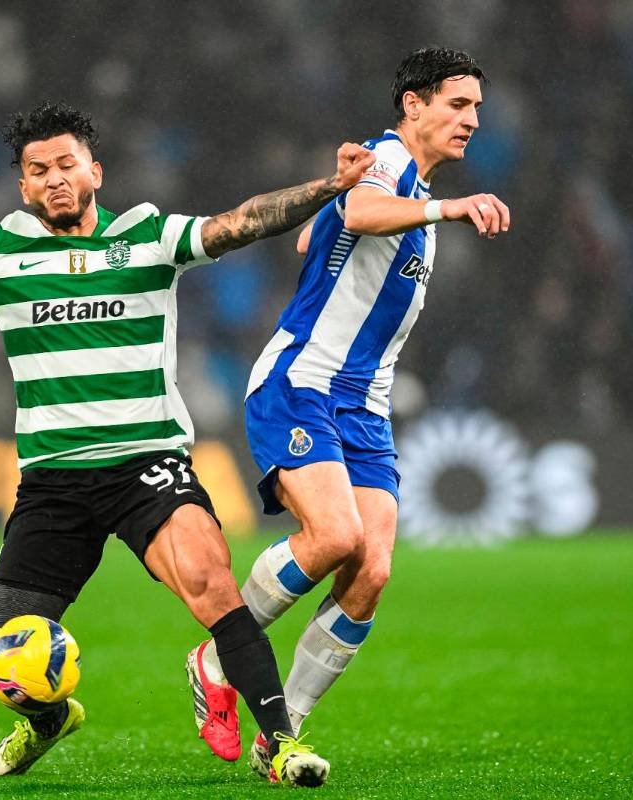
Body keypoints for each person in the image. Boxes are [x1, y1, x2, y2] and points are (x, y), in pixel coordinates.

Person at [0, 101, 376, 787]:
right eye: (38, 171)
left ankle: (281, 743)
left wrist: (326, 187)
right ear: (23, 188)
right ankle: (47, 721)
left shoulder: (149, 236)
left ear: (94, 170)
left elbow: (238, 223)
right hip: (51, 481)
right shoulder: (0, 249)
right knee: (3, 652)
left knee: (214, 587)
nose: (54, 179)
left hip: (146, 466)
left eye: (66, 164)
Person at [186, 46, 511, 778]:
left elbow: (325, 229)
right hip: (301, 380)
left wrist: (337, 221)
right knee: (333, 535)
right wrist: (447, 207)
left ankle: (284, 732)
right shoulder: (386, 159)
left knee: (373, 569)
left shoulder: (408, 191)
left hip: (364, 405)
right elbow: (361, 205)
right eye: (458, 105)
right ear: (413, 105)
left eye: (478, 109)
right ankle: (215, 655)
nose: (473, 120)